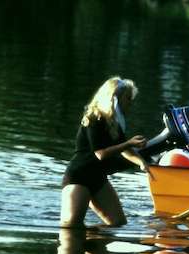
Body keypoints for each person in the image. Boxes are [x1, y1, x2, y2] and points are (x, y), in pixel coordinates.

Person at [60, 76, 151, 228]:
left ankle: (92, 244)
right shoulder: (94, 117)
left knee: (118, 223)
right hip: (80, 177)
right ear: (114, 98)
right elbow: (100, 154)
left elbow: (126, 149)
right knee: (71, 226)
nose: (130, 103)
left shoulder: (115, 123)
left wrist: (141, 162)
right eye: (128, 99)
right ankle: (82, 244)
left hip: (98, 178)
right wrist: (128, 143)